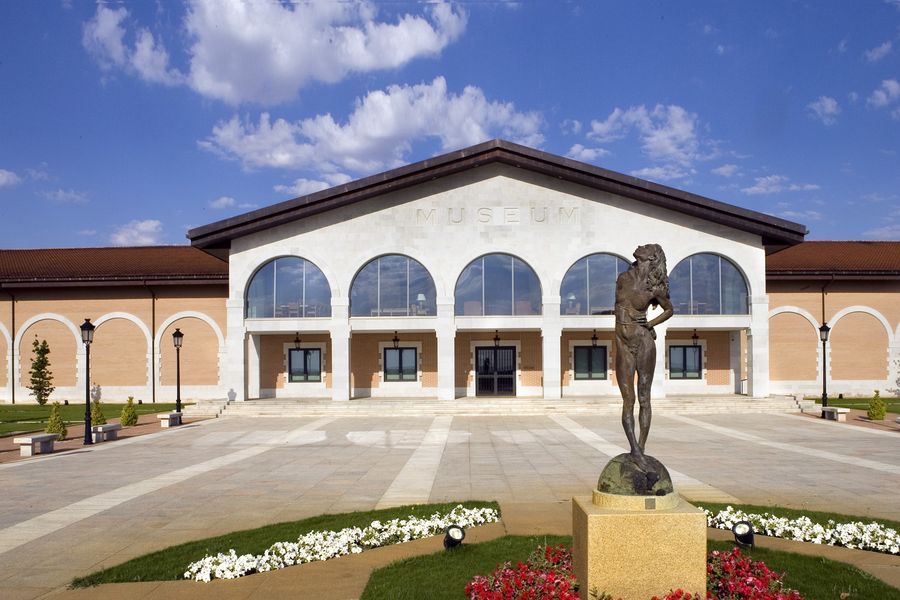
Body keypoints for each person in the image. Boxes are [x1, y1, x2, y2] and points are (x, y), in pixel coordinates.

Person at [614, 244, 673, 469]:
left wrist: (650, 324)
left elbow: (669, 309)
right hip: (622, 342)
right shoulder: (622, 278)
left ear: (652, 257)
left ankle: (641, 448)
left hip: (643, 342)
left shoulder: (654, 288)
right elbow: (618, 308)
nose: (641, 247)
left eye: (646, 247)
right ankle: (635, 450)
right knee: (628, 399)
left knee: (644, 397)